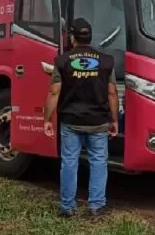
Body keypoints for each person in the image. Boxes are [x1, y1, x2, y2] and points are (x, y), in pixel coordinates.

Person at [43, 17, 119, 218]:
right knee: (98, 162)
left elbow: (54, 93)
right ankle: (96, 206)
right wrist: (115, 120)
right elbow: (112, 93)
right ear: (90, 36)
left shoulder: (62, 61)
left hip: (71, 121)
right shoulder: (106, 61)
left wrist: (47, 119)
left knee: (69, 161)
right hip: (98, 121)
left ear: (71, 37)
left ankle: (67, 208)